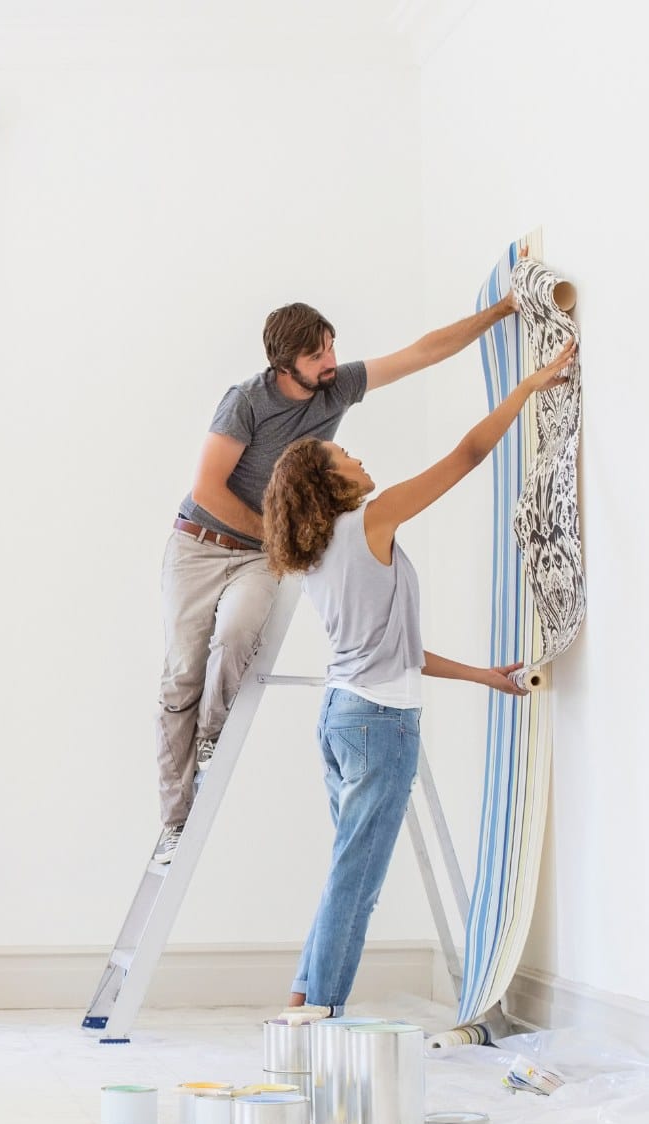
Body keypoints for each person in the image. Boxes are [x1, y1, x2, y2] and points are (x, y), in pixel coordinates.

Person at [260, 337, 576, 1019]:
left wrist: (483, 677)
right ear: (329, 482)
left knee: (348, 869)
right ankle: (318, 1014)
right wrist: (528, 388)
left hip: (343, 718)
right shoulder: (368, 521)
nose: (358, 459)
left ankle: (303, 999)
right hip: (377, 726)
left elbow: (399, 650)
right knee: (357, 878)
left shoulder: (318, 555)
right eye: (345, 457)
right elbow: (467, 456)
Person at [154, 290, 525, 863]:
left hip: (260, 556)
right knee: (182, 677)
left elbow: (423, 352)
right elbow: (207, 489)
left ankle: (210, 738)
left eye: (331, 346)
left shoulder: (339, 385)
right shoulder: (246, 401)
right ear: (285, 365)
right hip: (199, 543)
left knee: (236, 634)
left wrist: (501, 311)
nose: (330, 361)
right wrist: (277, 536)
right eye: (316, 355)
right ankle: (175, 822)